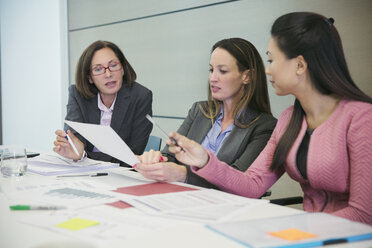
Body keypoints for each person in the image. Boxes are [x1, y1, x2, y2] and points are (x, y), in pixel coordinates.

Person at [141, 12, 372, 224]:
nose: (268, 70)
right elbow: (252, 185)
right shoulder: (289, 119)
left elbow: (364, 213)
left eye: (271, 60)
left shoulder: (362, 118)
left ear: (300, 65)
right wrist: (204, 161)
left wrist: (296, 228)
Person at [135, 38, 277, 188]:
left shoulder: (264, 126)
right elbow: (170, 156)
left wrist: (183, 175)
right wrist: (157, 160)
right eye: (211, 70)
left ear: (247, 76)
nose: (212, 78)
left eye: (222, 71)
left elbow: (240, 180)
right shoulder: (199, 111)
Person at [53, 40, 153, 165]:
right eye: (98, 69)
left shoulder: (140, 97)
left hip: (120, 175)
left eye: (113, 65)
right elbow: (73, 143)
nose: (108, 74)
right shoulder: (78, 94)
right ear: (89, 77)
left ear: (122, 69)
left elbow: (132, 155)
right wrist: (74, 150)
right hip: (81, 171)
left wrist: (83, 155)